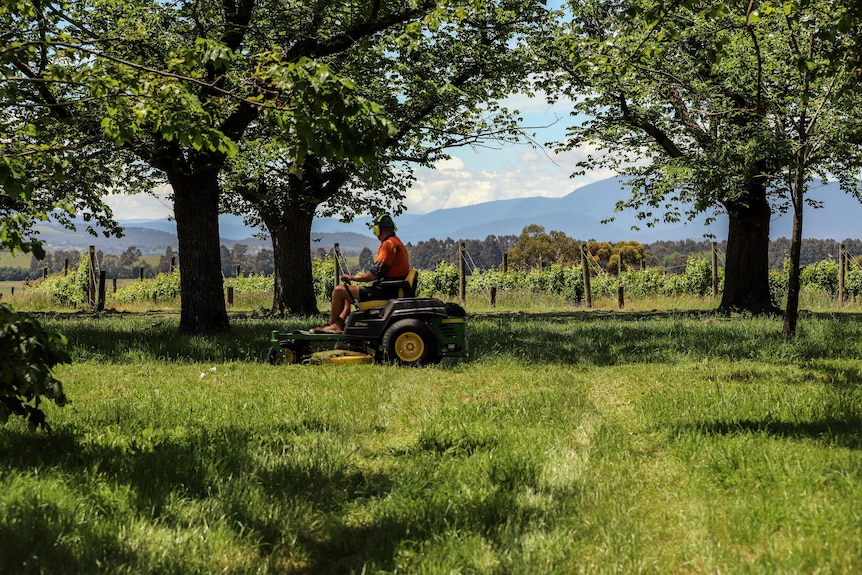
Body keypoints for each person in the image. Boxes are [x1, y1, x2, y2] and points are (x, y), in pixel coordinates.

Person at [310, 213, 410, 334]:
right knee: (347, 291)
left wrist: (352, 277)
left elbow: (374, 275)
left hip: (385, 292)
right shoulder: (397, 242)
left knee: (339, 291)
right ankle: (340, 322)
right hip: (392, 288)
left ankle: (332, 324)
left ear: (377, 230)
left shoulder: (388, 245)